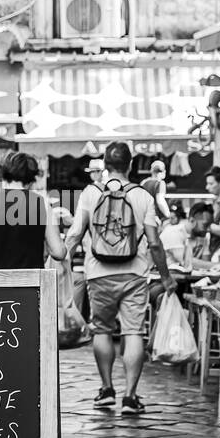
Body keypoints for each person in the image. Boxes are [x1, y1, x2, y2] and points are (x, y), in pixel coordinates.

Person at [65, 141, 174, 415]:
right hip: (134, 274)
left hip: (98, 273)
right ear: (132, 164)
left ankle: (106, 390)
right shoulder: (143, 197)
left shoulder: (91, 193)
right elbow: (154, 242)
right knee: (133, 332)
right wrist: (166, 277)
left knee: (101, 329)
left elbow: (76, 234)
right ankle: (130, 396)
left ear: (105, 163)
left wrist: (59, 262)